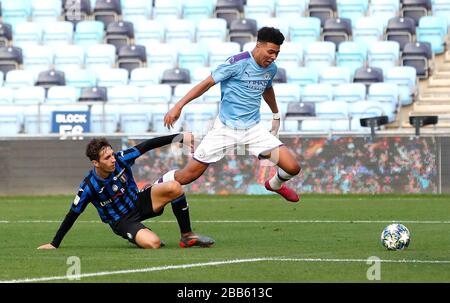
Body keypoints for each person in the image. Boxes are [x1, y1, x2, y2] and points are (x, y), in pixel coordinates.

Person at [160, 27, 301, 202]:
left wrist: (276, 113)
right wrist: (178, 106)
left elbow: (267, 88)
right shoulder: (236, 63)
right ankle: (152, 188)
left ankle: (274, 184)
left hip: (254, 130)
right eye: (271, 52)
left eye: (277, 53)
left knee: (293, 167)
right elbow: (206, 84)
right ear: (258, 45)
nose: (273, 57)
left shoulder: (271, 69)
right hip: (225, 129)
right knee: (186, 177)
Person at [37, 133, 214, 250]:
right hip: (122, 221)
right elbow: (72, 214)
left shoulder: (121, 160)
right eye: (107, 158)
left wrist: (180, 136)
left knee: (175, 187)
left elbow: (148, 144)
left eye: (112, 154)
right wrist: (55, 243)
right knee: (153, 243)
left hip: (138, 201)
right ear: (96, 163)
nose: (113, 159)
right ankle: (139, 233)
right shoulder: (88, 186)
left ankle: (187, 235)